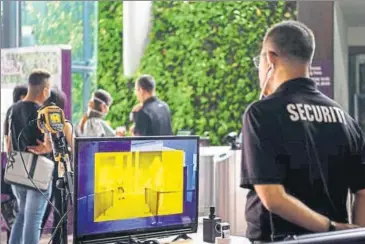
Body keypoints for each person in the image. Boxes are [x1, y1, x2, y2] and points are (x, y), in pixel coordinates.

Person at [240, 20, 365, 243]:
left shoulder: (261, 113)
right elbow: (363, 192)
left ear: (270, 58)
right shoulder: (345, 118)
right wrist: (352, 235)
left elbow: (273, 198)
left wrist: (330, 228)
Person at [5, 69, 53, 244]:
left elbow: (8, 144)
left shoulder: (12, 109)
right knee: (34, 219)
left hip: (17, 168)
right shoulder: (43, 112)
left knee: (22, 215)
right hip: (37, 171)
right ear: (45, 90)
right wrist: (47, 147)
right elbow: (47, 145)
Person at [40, 88, 72, 243]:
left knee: (44, 209)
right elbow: (73, 145)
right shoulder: (66, 124)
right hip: (62, 169)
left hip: (46, 168)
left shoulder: (42, 121)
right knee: (61, 209)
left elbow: (46, 147)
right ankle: (59, 241)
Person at [1, 84, 28, 243]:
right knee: (19, 208)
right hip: (18, 163)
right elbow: (9, 140)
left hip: (13, 163)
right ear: (21, 97)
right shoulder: (17, 111)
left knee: (17, 207)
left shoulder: (12, 111)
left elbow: (7, 140)